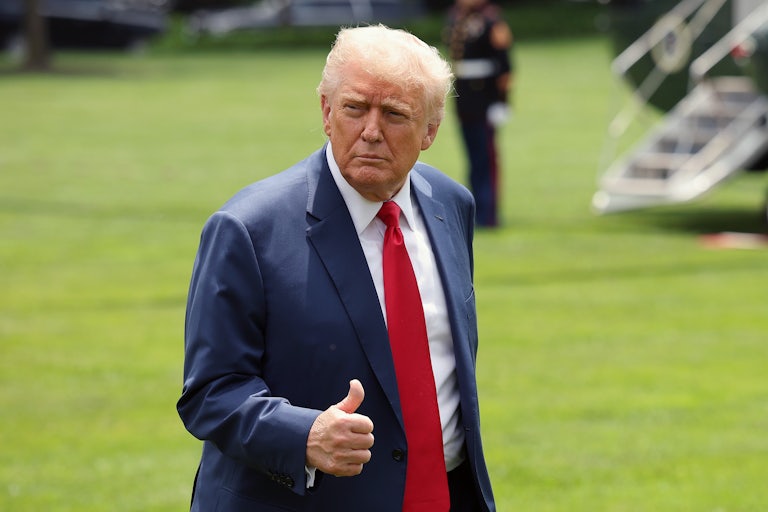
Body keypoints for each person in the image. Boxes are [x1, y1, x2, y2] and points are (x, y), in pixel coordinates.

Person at [177, 24, 496, 512]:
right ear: (327, 112)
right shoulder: (247, 229)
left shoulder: (450, 205)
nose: (370, 131)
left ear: (430, 130)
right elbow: (210, 391)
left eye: (394, 114)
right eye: (354, 108)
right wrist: (304, 434)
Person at [445, 0, 514, 228]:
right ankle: (474, 209)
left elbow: (505, 66)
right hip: (465, 99)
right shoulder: (457, 18)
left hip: (484, 98)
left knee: (486, 159)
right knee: (473, 158)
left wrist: (502, 102)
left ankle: (489, 214)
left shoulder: (492, 21)